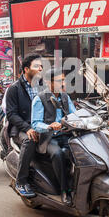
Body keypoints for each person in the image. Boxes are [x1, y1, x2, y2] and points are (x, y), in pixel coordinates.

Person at [31, 68, 76, 206]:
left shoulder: (65, 97)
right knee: (58, 154)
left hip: (66, 135)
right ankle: (64, 190)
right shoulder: (39, 99)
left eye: (63, 80)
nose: (63, 83)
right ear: (47, 82)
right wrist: (49, 126)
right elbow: (35, 123)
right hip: (49, 138)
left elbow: (75, 115)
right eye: (59, 81)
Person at [6, 54, 43, 198]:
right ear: (26, 69)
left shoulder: (42, 86)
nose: (40, 69)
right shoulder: (14, 89)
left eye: (41, 66)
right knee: (30, 140)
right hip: (21, 128)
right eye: (37, 66)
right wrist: (28, 128)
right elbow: (12, 114)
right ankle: (21, 181)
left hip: (41, 126)